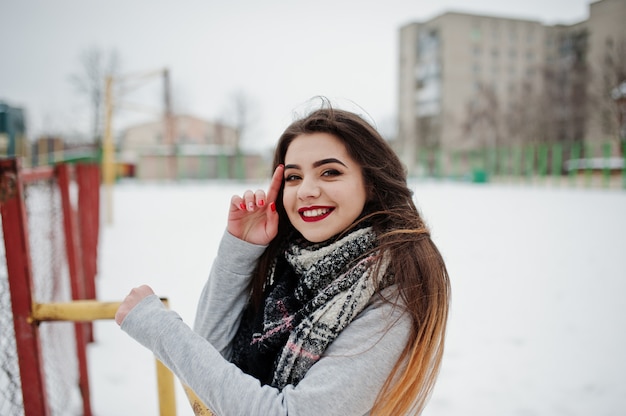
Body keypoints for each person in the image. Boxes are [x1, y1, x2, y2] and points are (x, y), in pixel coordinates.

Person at [115, 103, 451, 415]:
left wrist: (163, 334)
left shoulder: (394, 290)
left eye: (330, 172)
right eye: (294, 176)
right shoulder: (292, 271)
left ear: (372, 184)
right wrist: (239, 250)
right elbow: (212, 370)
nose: (306, 190)